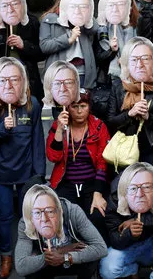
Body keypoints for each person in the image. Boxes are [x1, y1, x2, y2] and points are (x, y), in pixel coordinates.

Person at [0, 57, 45, 277]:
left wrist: (39, 174)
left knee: (28, 215)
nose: (9, 85)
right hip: (1, 171)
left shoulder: (33, 104)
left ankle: (30, 254)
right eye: (4, 80)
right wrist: (2, 128)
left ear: (23, 81)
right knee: (5, 216)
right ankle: (6, 255)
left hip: (26, 171)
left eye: (14, 80)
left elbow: (38, 140)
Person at [100, 162, 153, 279]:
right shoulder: (116, 195)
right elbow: (114, 239)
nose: (140, 194)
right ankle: (133, 269)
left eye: (147, 187)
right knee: (107, 270)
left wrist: (139, 220)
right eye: (133, 188)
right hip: (130, 248)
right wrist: (129, 233)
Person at [47, 88, 109, 237]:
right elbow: (52, 157)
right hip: (66, 183)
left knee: (97, 215)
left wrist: (98, 193)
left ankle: (97, 254)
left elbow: (102, 161)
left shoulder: (98, 126)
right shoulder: (59, 125)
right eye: (75, 106)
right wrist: (60, 131)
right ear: (68, 108)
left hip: (91, 184)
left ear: (89, 107)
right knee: (65, 219)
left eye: (83, 106)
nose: (79, 111)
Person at [106, 37, 153, 175]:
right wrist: (129, 114)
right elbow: (110, 123)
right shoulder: (118, 87)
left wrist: (149, 117)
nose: (140, 64)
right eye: (134, 59)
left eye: (145, 59)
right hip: (124, 149)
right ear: (126, 63)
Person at [14, 184, 107, 279]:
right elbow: (21, 266)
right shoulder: (26, 221)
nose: (44, 218)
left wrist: (66, 257)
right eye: (37, 212)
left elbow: (101, 248)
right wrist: (58, 252)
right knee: (31, 265)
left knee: (89, 254)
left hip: (73, 258)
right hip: (47, 262)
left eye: (49, 211)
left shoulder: (73, 211)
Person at [40, 0, 97, 89]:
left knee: (81, 103)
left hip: (83, 72)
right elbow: (45, 46)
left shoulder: (84, 18)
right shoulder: (50, 20)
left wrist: (87, 17)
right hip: (60, 73)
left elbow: (94, 29)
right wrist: (68, 38)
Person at [95, 0, 138, 83]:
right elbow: (99, 59)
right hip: (111, 80)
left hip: (134, 77)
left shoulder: (137, 27)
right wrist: (112, 51)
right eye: (112, 4)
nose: (116, 9)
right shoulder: (103, 28)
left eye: (122, 4)